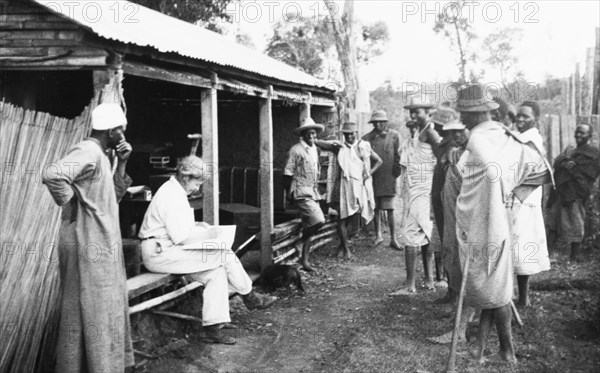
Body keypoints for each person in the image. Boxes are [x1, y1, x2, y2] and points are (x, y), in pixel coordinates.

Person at [455, 84, 550, 364]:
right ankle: (481, 349)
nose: (462, 118)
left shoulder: (481, 140)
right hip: (496, 220)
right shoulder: (504, 135)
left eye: (466, 113)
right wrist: (512, 199)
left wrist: (505, 199)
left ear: (479, 113)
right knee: (494, 286)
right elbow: (541, 169)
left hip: (487, 225)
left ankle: (507, 353)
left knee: (494, 288)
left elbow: (494, 173)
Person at [139, 156, 277, 345]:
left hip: (167, 249)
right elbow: (182, 237)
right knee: (223, 253)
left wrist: (202, 228)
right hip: (160, 253)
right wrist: (209, 236)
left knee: (216, 272)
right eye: (198, 182)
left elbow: (179, 228)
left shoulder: (175, 192)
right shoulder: (170, 195)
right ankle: (249, 296)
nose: (198, 187)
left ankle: (213, 327)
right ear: (186, 177)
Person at [42, 103, 134, 373]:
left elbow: (110, 200)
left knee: (99, 309)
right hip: (86, 242)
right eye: (122, 129)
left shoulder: (101, 155)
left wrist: (123, 163)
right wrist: (72, 205)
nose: (124, 133)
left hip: (101, 243)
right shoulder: (88, 150)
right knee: (90, 308)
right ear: (113, 130)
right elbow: (52, 174)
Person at [428, 118, 477, 344]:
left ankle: (462, 328)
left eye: (460, 131)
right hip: (454, 217)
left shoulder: (477, 154)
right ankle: (462, 316)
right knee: (454, 261)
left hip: (470, 221)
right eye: (452, 133)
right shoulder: (458, 153)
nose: (456, 136)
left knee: (473, 270)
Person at [390, 97, 439, 295]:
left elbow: (443, 154)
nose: (413, 115)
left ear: (428, 113)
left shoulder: (431, 132)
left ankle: (410, 285)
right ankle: (428, 280)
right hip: (415, 188)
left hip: (424, 190)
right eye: (411, 112)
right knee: (424, 232)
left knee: (412, 233)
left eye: (417, 111)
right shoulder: (420, 133)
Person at [509, 101, 552, 307]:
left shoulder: (531, 139)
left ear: (536, 119)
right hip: (519, 197)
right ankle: (515, 296)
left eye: (526, 116)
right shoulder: (520, 137)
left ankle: (522, 298)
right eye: (518, 116)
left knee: (522, 248)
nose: (520, 119)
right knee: (517, 248)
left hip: (524, 199)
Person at [547, 123, 600, 261]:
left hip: (576, 194)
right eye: (577, 132)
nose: (578, 135)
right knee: (554, 223)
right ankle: (546, 255)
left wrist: (569, 165)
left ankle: (573, 257)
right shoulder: (571, 151)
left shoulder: (593, 153)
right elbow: (556, 163)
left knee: (576, 223)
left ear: (590, 135)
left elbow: (589, 174)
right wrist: (565, 161)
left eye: (582, 132)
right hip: (561, 191)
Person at [284, 117, 327, 272]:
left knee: (311, 224)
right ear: (302, 134)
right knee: (319, 221)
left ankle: (305, 261)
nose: (311, 136)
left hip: (312, 192)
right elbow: (288, 172)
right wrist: (287, 193)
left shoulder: (314, 149)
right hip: (300, 191)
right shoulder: (296, 150)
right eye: (308, 133)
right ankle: (301, 242)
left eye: (313, 133)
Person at [335, 122, 383, 258]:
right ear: (343, 135)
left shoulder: (364, 146)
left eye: (352, 133)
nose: (349, 136)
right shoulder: (341, 148)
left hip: (361, 185)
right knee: (343, 217)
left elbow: (379, 161)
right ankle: (345, 249)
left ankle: (342, 246)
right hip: (346, 184)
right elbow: (322, 144)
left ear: (356, 132)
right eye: (346, 134)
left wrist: (368, 173)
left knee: (355, 214)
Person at [428, 105, 459, 291]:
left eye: (439, 125)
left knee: (450, 243)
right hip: (440, 200)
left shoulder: (452, 147)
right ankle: (450, 288)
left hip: (448, 201)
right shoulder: (444, 145)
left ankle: (454, 289)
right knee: (443, 242)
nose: (437, 128)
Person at [362, 110, 402, 249]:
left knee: (390, 208)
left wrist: (395, 174)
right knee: (376, 207)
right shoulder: (367, 138)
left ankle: (393, 238)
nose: (378, 124)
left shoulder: (394, 136)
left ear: (386, 122)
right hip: (373, 177)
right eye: (375, 122)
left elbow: (398, 156)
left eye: (381, 122)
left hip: (389, 177)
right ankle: (378, 235)